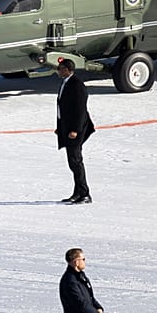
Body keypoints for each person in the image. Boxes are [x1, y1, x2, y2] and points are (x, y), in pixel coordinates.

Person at [55, 59, 95, 204]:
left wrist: (75, 130)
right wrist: (60, 127)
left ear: (67, 69)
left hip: (76, 130)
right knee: (73, 162)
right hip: (67, 128)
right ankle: (78, 192)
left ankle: (84, 193)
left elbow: (80, 111)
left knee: (76, 161)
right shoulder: (66, 83)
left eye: (60, 68)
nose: (58, 70)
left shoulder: (76, 85)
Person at [59, 248, 105, 313]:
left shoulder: (81, 277)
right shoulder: (70, 281)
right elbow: (80, 304)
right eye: (83, 259)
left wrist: (99, 308)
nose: (85, 262)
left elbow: (90, 297)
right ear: (76, 262)